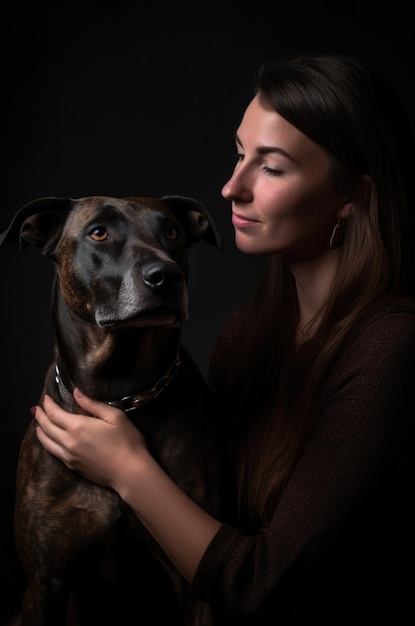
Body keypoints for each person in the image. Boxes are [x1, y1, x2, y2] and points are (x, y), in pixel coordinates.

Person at [32, 53, 415, 624]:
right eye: (240, 155)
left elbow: (262, 583)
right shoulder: (245, 335)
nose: (231, 187)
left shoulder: (391, 345)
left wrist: (128, 470)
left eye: (273, 167)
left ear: (349, 195)